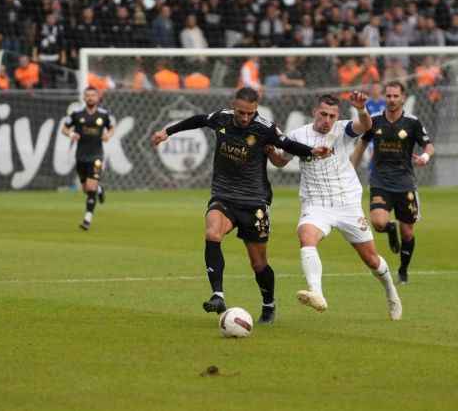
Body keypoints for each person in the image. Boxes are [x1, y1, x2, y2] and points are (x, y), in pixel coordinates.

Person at [150, 87, 331, 324]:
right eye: (241, 112)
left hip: (255, 201)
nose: (245, 118)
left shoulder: (265, 128)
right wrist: (167, 132)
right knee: (212, 232)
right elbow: (198, 120)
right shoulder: (221, 118)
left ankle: (268, 303)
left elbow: (287, 144)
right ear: (233, 105)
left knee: (258, 263)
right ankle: (218, 295)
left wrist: (313, 151)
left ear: (256, 109)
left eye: (250, 113)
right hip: (223, 196)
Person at [266, 93, 402, 320]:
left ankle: (391, 291)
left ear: (337, 117)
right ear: (314, 113)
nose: (327, 120)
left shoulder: (343, 130)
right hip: (316, 203)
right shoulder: (299, 135)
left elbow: (366, 125)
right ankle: (316, 293)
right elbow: (281, 162)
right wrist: (271, 152)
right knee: (306, 236)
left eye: (332, 116)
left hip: (347, 202)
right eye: (323, 114)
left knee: (371, 259)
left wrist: (361, 109)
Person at [351, 82, 435, 284]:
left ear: (403, 98)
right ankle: (389, 229)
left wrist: (425, 157)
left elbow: (429, 145)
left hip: (405, 183)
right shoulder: (375, 121)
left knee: (407, 232)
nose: (391, 99)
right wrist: (350, 168)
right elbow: (362, 143)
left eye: (396, 96)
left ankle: (403, 270)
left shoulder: (412, 123)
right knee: (378, 223)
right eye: (388, 95)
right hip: (380, 180)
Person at [61, 87, 114, 230]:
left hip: (96, 155)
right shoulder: (76, 114)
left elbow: (111, 127)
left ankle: (87, 219)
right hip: (81, 156)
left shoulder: (104, 114)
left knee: (90, 188)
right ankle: (100, 190)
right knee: (85, 188)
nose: (90, 98)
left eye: (93, 95)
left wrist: (108, 135)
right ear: (84, 98)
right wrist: (71, 135)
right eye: (88, 95)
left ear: (97, 98)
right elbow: (64, 128)